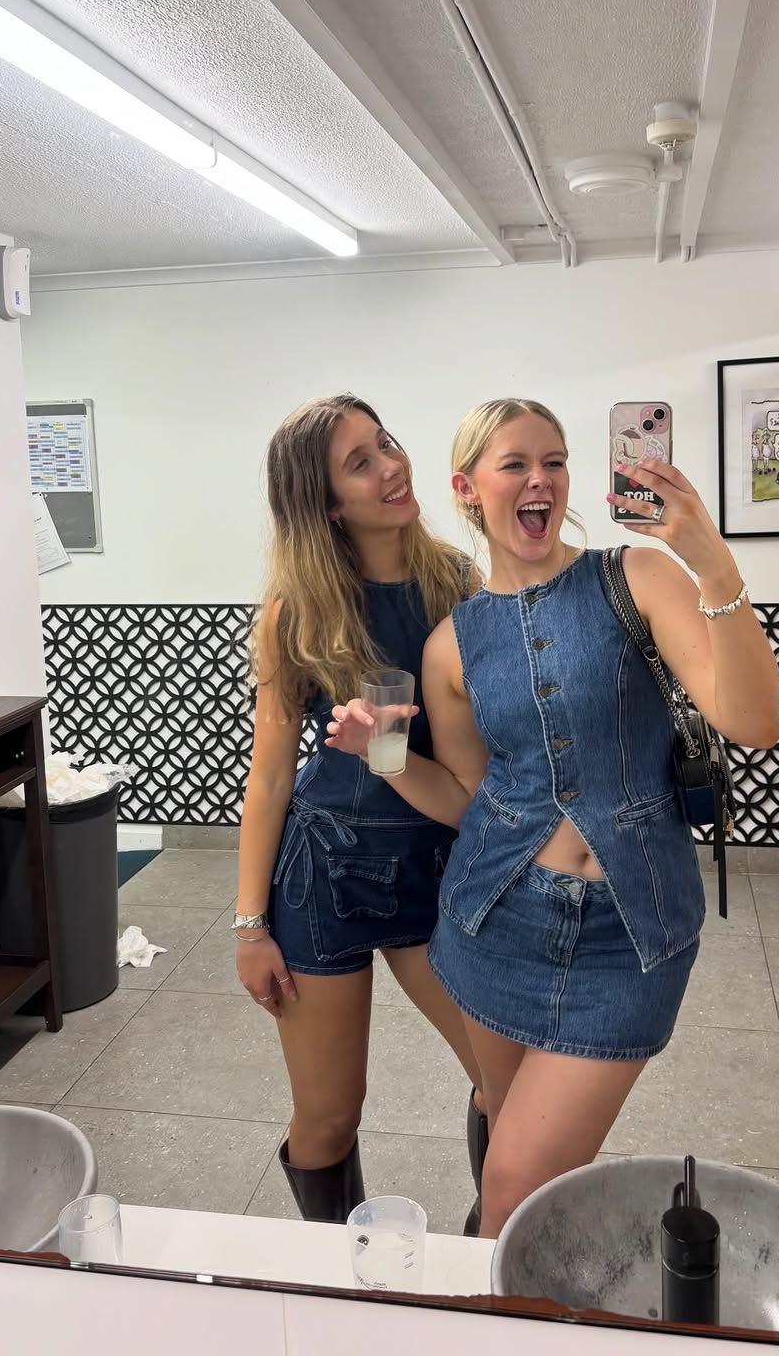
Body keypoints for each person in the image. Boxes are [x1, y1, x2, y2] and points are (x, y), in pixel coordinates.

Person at [326, 398, 779, 1237]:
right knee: (512, 1152)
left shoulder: (636, 578)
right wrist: (378, 755)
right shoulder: (452, 643)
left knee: (511, 1186)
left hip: (630, 933)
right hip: (496, 923)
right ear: (467, 488)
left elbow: (754, 721)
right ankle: (513, 1276)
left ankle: (487, 1276)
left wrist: (712, 563)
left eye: (555, 461)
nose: (540, 479)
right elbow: (466, 796)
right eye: (515, 464)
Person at [234, 393, 485, 1227]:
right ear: (327, 503)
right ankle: (339, 1278)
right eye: (360, 462)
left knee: (504, 1080)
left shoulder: (458, 585)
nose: (391, 466)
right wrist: (249, 928)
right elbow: (272, 777)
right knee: (329, 1114)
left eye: (385, 444)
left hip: (433, 865)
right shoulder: (296, 612)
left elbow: (472, 759)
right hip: (324, 877)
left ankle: (494, 1248)